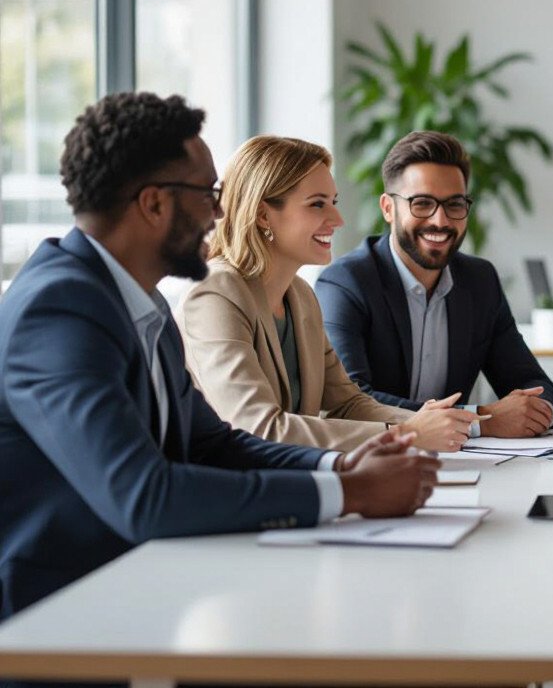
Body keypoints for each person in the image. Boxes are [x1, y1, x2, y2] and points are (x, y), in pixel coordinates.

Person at [0, 92, 438, 624]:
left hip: (143, 584)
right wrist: (348, 490)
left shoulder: (144, 302)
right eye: (209, 193)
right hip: (53, 615)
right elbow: (145, 496)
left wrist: (342, 464)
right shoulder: (60, 309)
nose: (219, 211)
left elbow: (213, 443)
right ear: (154, 203)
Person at [180, 136, 478, 452]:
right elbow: (259, 428)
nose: (337, 220)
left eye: (333, 203)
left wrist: (447, 423)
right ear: (264, 215)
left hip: (293, 479)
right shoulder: (215, 295)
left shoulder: (300, 296)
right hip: (235, 491)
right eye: (317, 204)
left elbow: (348, 403)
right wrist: (406, 433)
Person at [316, 131, 553, 438]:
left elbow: (534, 384)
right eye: (422, 203)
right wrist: (479, 420)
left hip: (463, 466)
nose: (440, 221)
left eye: (454, 204)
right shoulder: (346, 283)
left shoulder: (479, 281)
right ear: (388, 208)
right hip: (375, 462)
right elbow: (350, 403)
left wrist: (537, 410)